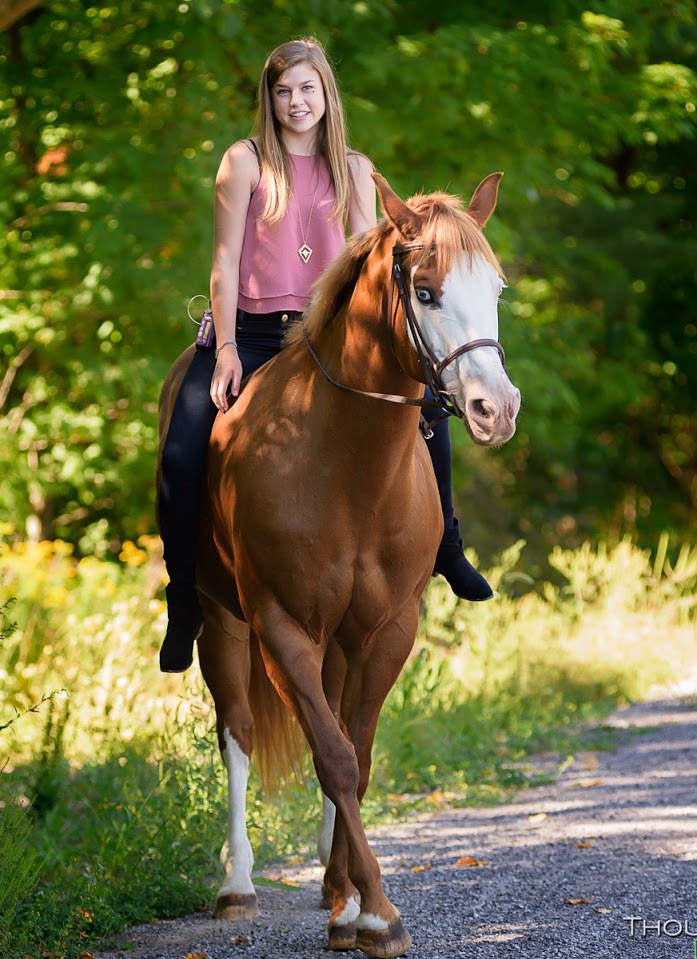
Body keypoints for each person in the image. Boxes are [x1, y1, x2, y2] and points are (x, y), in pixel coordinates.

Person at [158, 37, 493, 674]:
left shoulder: (356, 169)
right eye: (284, 91)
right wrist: (226, 350)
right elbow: (225, 262)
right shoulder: (246, 162)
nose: (296, 102)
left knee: (431, 415)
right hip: (254, 332)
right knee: (182, 446)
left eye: (307, 89)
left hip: (325, 335)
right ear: (270, 98)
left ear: (326, 94)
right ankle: (184, 601)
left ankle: (447, 547)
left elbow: (368, 262)